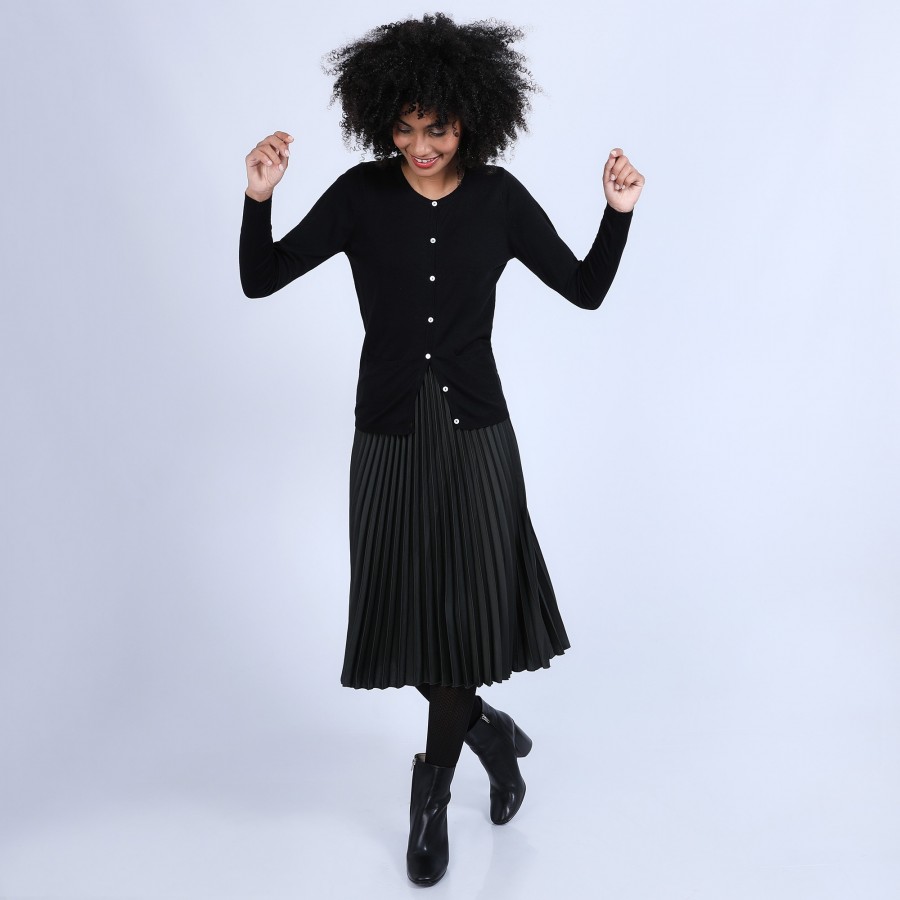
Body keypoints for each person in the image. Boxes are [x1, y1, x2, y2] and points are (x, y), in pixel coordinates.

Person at [239, 12, 644, 887]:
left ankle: (429, 799)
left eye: (438, 129)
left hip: (477, 438)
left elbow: (584, 289)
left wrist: (616, 216)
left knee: (462, 621)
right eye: (405, 128)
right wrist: (259, 197)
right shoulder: (360, 196)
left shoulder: (498, 200)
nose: (420, 147)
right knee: (404, 613)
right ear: (382, 118)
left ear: (471, 120)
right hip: (388, 433)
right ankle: (489, 733)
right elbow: (260, 279)